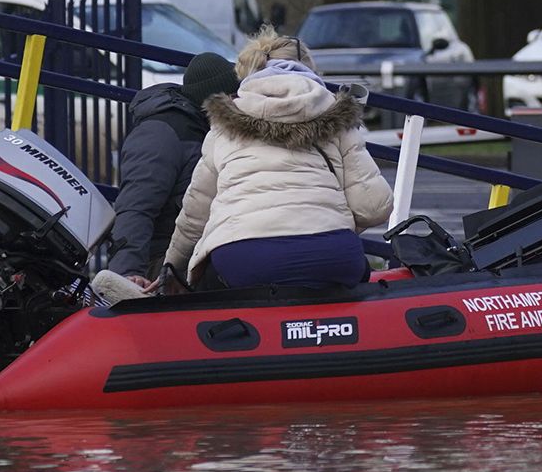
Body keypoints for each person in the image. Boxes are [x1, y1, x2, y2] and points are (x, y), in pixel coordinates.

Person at [162, 45, 393, 290]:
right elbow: (373, 206)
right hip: (332, 254)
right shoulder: (337, 115)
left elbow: (195, 215)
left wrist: (170, 267)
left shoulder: (223, 124)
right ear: (310, 70)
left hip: (243, 258)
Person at [105, 52, 239, 288]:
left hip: (197, 251)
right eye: (232, 96)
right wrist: (126, 274)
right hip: (163, 262)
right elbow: (136, 207)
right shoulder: (162, 133)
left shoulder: (207, 129)